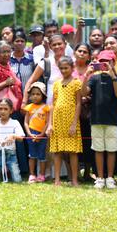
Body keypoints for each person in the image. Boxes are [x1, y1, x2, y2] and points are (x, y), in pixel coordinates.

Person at [80, 50, 117, 189]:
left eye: (107, 62)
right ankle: (99, 177)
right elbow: (83, 92)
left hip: (112, 120)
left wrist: (113, 76)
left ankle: (110, 178)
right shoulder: (94, 78)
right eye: (102, 62)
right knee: (98, 149)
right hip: (96, 119)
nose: (104, 64)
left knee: (111, 150)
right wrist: (86, 75)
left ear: (113, 62)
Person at [46, 56, 82, 186]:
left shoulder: (76, 82)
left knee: (72, 151)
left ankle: (74, 180)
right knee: (57, 151)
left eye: (66, 68)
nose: (64, 70)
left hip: (71, 119)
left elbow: (78, 104)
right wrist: (50, 124)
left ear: (72, 68)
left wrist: (74, 123)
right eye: (61, 68)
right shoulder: (56, 83)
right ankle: (57, 180)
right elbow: (53, 104)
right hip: (58, 119)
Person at [0, 98, 25, 183]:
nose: (3, 111)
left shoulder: (15, 123)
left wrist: (13, 136)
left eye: (5, 109)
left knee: (17, 180)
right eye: (0, 109)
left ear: (11, 111)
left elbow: (21, 138)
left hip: (11, 154)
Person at [72, 43, 94, 181]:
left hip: (88, 111)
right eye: (79, 51)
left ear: (89, 56)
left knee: (87, 141)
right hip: (72, 110)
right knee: (74, 142)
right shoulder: (69, 68)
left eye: (85, 52)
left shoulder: (92, 70)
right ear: (74, 52)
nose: (82, 53)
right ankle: (74, 173)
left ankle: (87, 172)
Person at [23, 82, 50, 183]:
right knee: (32, 155)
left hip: (42, 134)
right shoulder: (29, 107)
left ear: (43, 95)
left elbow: (47, 122)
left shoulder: (46, 107)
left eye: (38, 94)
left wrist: (41, 134)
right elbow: (26, 122)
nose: (35, 96)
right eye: (33, 94)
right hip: (31, 133)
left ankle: (41, 175)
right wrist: (29, 134)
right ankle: (32, 174)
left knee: (42, 155)